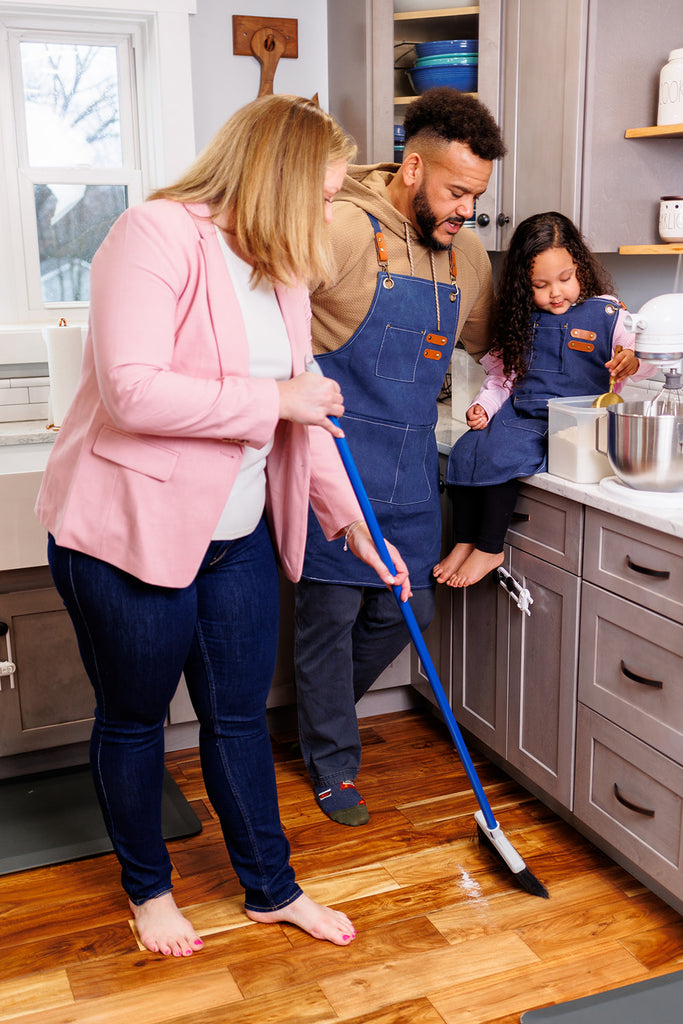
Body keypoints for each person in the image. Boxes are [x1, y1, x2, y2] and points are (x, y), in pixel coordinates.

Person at [34, 94, 412, 957]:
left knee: (238, 717)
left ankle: (270, 889)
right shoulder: (155, 235)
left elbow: (303, 415)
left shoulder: (278, 270)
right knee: (134, 719)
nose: (327, 211)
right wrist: (274, 397)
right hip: (126, 535)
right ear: (274, 179)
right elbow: (133, 390)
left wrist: (351, 524)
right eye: (319, 195)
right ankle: (148, 889)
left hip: (232, 538)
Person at [294, 87, 506, 826]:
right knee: (326, 622)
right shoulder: (342, 227)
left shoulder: (466, 252)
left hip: (414, 471)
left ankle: (319, 725)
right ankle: (331, 761)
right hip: (337, 469)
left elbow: (491, 347)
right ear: (412, 168)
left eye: (475, 198)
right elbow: (276, 329)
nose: (464, 211)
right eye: (454, 192)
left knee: (395, 615)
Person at [435, 211, 650, 589]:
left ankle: (489, 547)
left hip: (574, 423)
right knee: (467, 449)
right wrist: (485, 405)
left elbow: (639, 359)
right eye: (541, 284)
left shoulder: (608, 313)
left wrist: (632, 362)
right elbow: (505, 376)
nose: (556, 292)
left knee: (502, 454)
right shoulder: (522, 319)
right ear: (524, 284)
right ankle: (465, 539)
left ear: (580, 266)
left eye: (565, 278)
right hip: (524, 411)